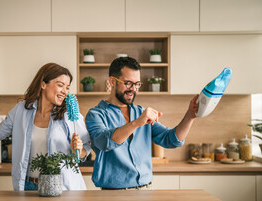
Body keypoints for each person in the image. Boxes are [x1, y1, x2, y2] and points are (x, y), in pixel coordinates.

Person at [85, 57, 198, 190]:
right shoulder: (96, 114)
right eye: (128, 83)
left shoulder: (140, 112)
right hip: (112, 194)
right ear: (112, 82)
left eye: (137, 84)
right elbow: (103, 142)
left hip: (145, 191)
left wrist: (190, 115)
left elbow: (171, 140)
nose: (133, 89)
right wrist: (137, 122)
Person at [0, 63, 91, 191]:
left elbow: (85, 152)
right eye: (60, 85)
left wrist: (78, 150)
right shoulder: (21, 111)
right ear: (43, 84)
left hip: (62, 187)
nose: (65, 91)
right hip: (29, 186)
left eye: (67, 87)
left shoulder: (70, 115)